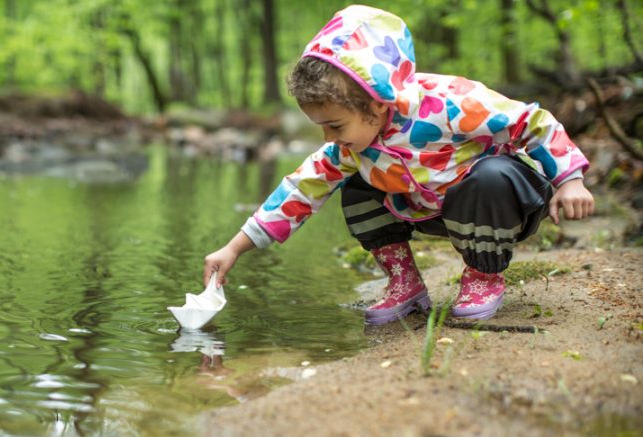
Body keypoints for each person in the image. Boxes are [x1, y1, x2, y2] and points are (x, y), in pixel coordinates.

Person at [203, 4, 594, 323]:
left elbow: (532, 121)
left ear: (376, 103)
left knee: (490, 176)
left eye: (334, 125)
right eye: (321, 127)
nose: (329, 138)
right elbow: (300, 189)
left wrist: (570, 179)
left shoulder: (448, 102)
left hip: (501, 205)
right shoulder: (352, 146)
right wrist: (233, 249)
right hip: (429, 210)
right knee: (355, 187)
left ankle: (483, 275)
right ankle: (403, 282)